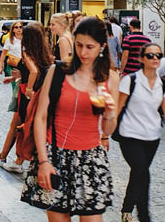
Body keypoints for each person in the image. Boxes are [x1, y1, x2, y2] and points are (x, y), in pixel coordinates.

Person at [22, 17, 119, 220]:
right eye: (79, 45)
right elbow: (40, 117)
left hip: (90, 160)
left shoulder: (109, 78)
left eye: (90, 47)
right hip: (55, 155)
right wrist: (43, 161)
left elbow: (108, 130)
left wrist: (110, 112)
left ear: (102, 46)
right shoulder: (58, 72)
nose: (83, 53)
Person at [116, 42, 165, 222]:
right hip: (129, 135)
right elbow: (117, 108)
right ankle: (144, 217)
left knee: (138, 172)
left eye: (158, 56)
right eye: (150, 55)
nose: (155, 59)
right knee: (142, 172)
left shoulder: (162, 84)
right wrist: (104, 135)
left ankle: (126, 209)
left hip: (152, 136)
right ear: (141, 59)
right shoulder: (130, 81)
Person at [10, 22, 54, 171]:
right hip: (40, 91)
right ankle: (24, 159)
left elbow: (33, 71)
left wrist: (28, 88)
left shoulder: (26, 52)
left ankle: (20, 160)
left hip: (28, 93)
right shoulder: (44, 52)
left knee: (25, 125)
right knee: (31, 124)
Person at [0, 22, 26, 168]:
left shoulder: (27, 42)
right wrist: (1, 66)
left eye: (21, 27)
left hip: (23, 74)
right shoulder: (10, 40)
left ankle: (15, 157)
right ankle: (12, 157)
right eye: (16, 27)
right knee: (17, 122)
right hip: (15, 69)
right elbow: (3, 54)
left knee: (17, 124)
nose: (19, 29)